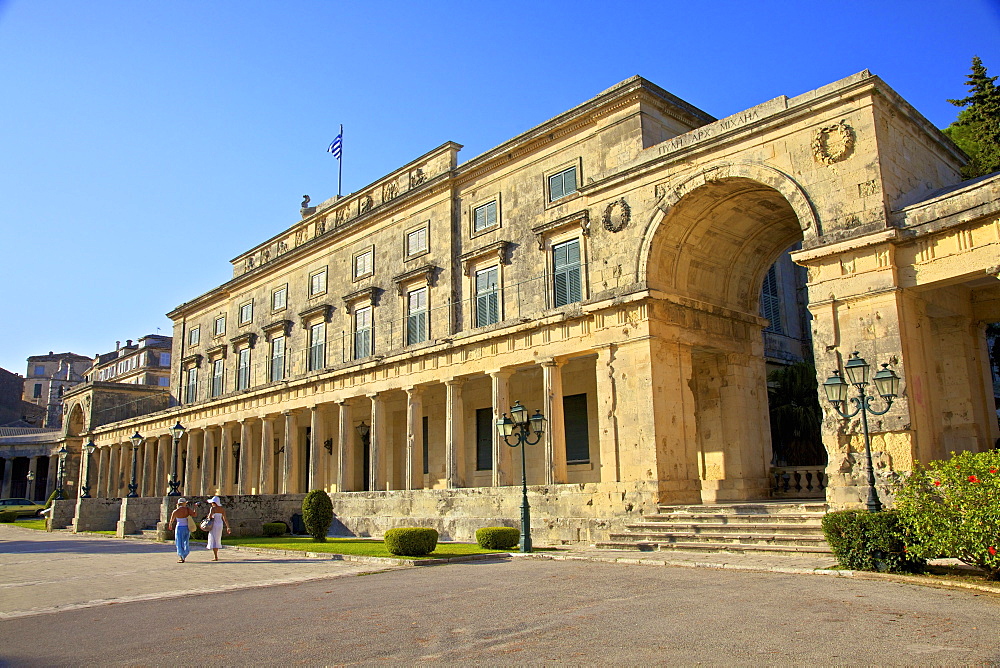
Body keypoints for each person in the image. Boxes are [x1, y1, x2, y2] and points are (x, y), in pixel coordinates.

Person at [167, 498, 196, 563]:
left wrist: (170, 525)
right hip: (186, 527)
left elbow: (171, 520)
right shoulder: (187, 510)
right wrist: (195, 508)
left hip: (179, 527)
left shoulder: (175, 511)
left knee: (179, 542)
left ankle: (181, 556)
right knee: (186, 541)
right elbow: (194, 514)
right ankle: (185, 553)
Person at [204, 495, 231, 561]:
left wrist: (208, 517)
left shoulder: (212, 509)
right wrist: (228, 527)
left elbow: (210, 517)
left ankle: (215, 556)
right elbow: (225, 519)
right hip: (220, 524)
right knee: (217, 538)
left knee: (213, 539)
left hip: (214, 524)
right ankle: (216, 555)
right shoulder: (222, 509)